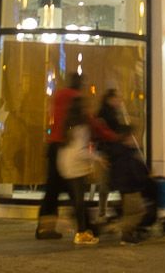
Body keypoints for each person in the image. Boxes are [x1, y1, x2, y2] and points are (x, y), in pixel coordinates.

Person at [36, 72, 118, 239]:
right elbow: (91, 122)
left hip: (55, 147)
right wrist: (113, 136)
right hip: (69, 147)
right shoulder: (76, 98)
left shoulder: (58, 95)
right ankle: (85, 227)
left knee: (53, 191)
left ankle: (46, 228)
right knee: (76, 191)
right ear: (80, 84)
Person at [58, 94, 103, 245]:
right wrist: (97, 158)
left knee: (77, 201)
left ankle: (84, 229)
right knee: (79, 201)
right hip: (76, 166)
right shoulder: (82, 127)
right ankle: (81, 232)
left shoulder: (68, 123)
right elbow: (80, 151)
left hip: (65, 163)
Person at [94, 89, 128, 221]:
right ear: (110, 99)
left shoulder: (109, 112)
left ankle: (105, 210)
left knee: (107, 182)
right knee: (107, 181)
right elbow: (108, 132)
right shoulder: (106, 114)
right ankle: (105, 210)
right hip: (109, 151)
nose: (119, 101)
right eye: (117, 98)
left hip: (108, 150)